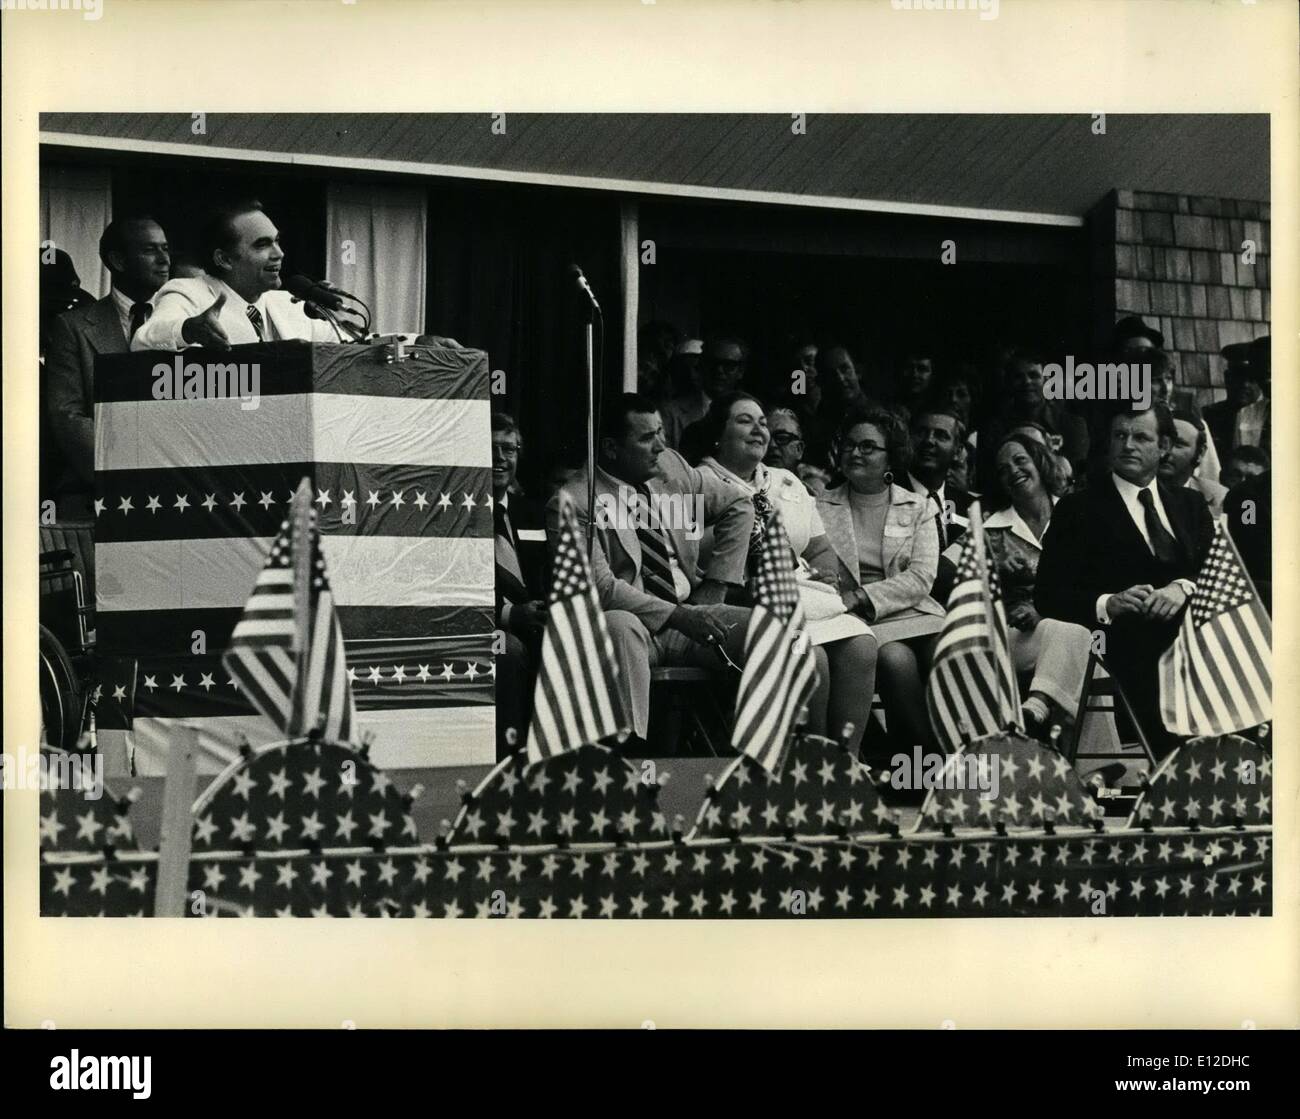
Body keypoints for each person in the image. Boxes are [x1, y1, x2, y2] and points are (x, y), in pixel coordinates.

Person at [547, 394, 755, 748]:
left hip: (689, 616)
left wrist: (716, 587)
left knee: (774, 632)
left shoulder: (670, 468)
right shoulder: (573, 501)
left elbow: (739, 504)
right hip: (633, 624)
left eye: (660, 432)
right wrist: (678, 616)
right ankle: (630, 756)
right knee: (618, 625)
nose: (660, 446)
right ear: (611, 448)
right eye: (647, 438)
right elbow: (599, 587)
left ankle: (747, 756)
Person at [696, 392, 878, 752]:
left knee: (861, 645)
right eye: (745, 421)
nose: (759, 430)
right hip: (744, 601)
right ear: (719, 432)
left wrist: (827, 574)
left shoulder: (786, 481)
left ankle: (846, 764)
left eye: (763, 423)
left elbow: (819, 548)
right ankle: (812, 765)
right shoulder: (698, 483)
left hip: (804, 596)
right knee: (813, 656)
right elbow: (692, 558)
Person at [1035, 404, 1214, 757]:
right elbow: (1048, 595)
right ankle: (1175, 763)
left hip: (1194, 639)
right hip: (1122, 644)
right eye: (1120, 436)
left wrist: (1183, 588)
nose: (1128, 445)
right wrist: (1107, 603)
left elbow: (1214, 570)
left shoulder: (1190, 504)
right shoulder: (1079, 509)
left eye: (1140, 437)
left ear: (1163, 446)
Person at [817, 406, 944, 752]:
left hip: (916, 615)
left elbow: (921, 578)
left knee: (953, 654)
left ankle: (975, 755)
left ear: (892, 458)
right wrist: (851, 602)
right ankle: (923, 765)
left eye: (867, 446)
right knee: (894, 661)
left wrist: (861, 595)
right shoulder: (819, 505)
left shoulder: (918, 507)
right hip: (856, 623)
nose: (854, 452)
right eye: (849, 445)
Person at [46, 216, 171, 518]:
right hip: (99, 494)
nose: (164, 259)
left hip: (175, 492)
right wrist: (127, 477)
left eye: (166, 248)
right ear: (118, 260)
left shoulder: (184, 323)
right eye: (150, 250)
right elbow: (67, 416)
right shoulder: (72, 327)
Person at [980, 435, 1095, 741]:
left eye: (1020, 460)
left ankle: (1044, 708)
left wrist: (1044, 609)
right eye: (1003, 469)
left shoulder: (1078, 513)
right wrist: (993, 569)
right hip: (1016, 637)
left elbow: (1097, 575)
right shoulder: (991, 528)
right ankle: (1094, 771)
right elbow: (946, 573)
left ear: (1040, 463)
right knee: (1074, 638)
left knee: (1081, 646)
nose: (1013, 471)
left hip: (1079, 626)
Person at [131, 200, 343, 351]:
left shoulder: (291, 303)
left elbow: (349, 344)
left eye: (277, 241)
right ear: (224, 259)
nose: (279, 253)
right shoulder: (188, 293)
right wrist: (188, 330)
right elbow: (144, 340)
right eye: (262, 245)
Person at [491, 412, 549, 758]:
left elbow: (547, 573)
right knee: (507, 650)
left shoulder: (531, 513)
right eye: (491, 448)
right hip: (491, 626)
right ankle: (509, 761)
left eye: (509, 449)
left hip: (536, 622)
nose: (500, 459)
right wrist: (511, 613)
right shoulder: (458, 514)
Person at [977, 347, 1090, 485]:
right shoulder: (995, 429)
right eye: (1018, 377)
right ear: (1009, 383)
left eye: (1034, 375)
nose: (1027, 382)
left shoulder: (1071, 424)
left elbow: (1078, 475)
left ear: (1046, 380)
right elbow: (989, 477)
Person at [907, 408, 973, 604]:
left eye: (941, 435)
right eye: (921, 432)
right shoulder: (886, 494)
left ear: (958, 451)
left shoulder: (968, 506)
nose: (929, 440)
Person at [662, 333, 746, 451]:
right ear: (702, 365)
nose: (719, 370)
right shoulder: (672, 413)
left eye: (728, 365)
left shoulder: (754, 413)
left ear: (740, 372)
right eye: (713, 363)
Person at [1158, 402, 1228, 518]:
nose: (1166, 451)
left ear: (1200, 453)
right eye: (1161, 443)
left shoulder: (1219, 498)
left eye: (1178, 444)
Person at [1203, 339, 1270, 457]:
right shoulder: (1210, 415)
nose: (1245, 385)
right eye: (1239, 377)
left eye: (1252, 379)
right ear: (1227, 378)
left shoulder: (1269, 414)